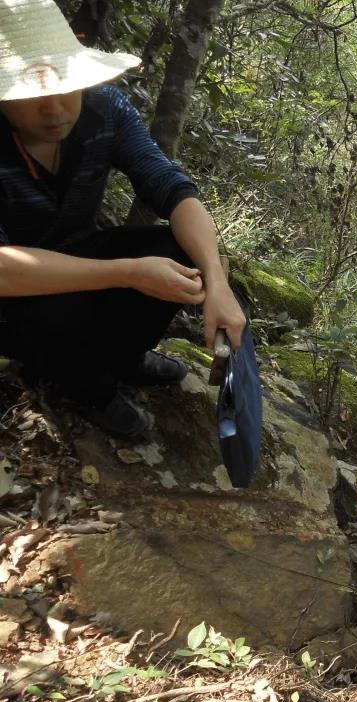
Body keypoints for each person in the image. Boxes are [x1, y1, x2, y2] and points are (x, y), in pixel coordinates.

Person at [0, 0, 246, 439]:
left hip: (79, 250)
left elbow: (170, 186)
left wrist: (216, 278)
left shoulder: (105, 110)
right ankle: (88, 389)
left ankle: (123, 358)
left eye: (65, 88)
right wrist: (129, 272)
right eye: (31, 96)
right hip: (14, 293)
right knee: (49, 316)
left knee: (178, 252)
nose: (54, 110)